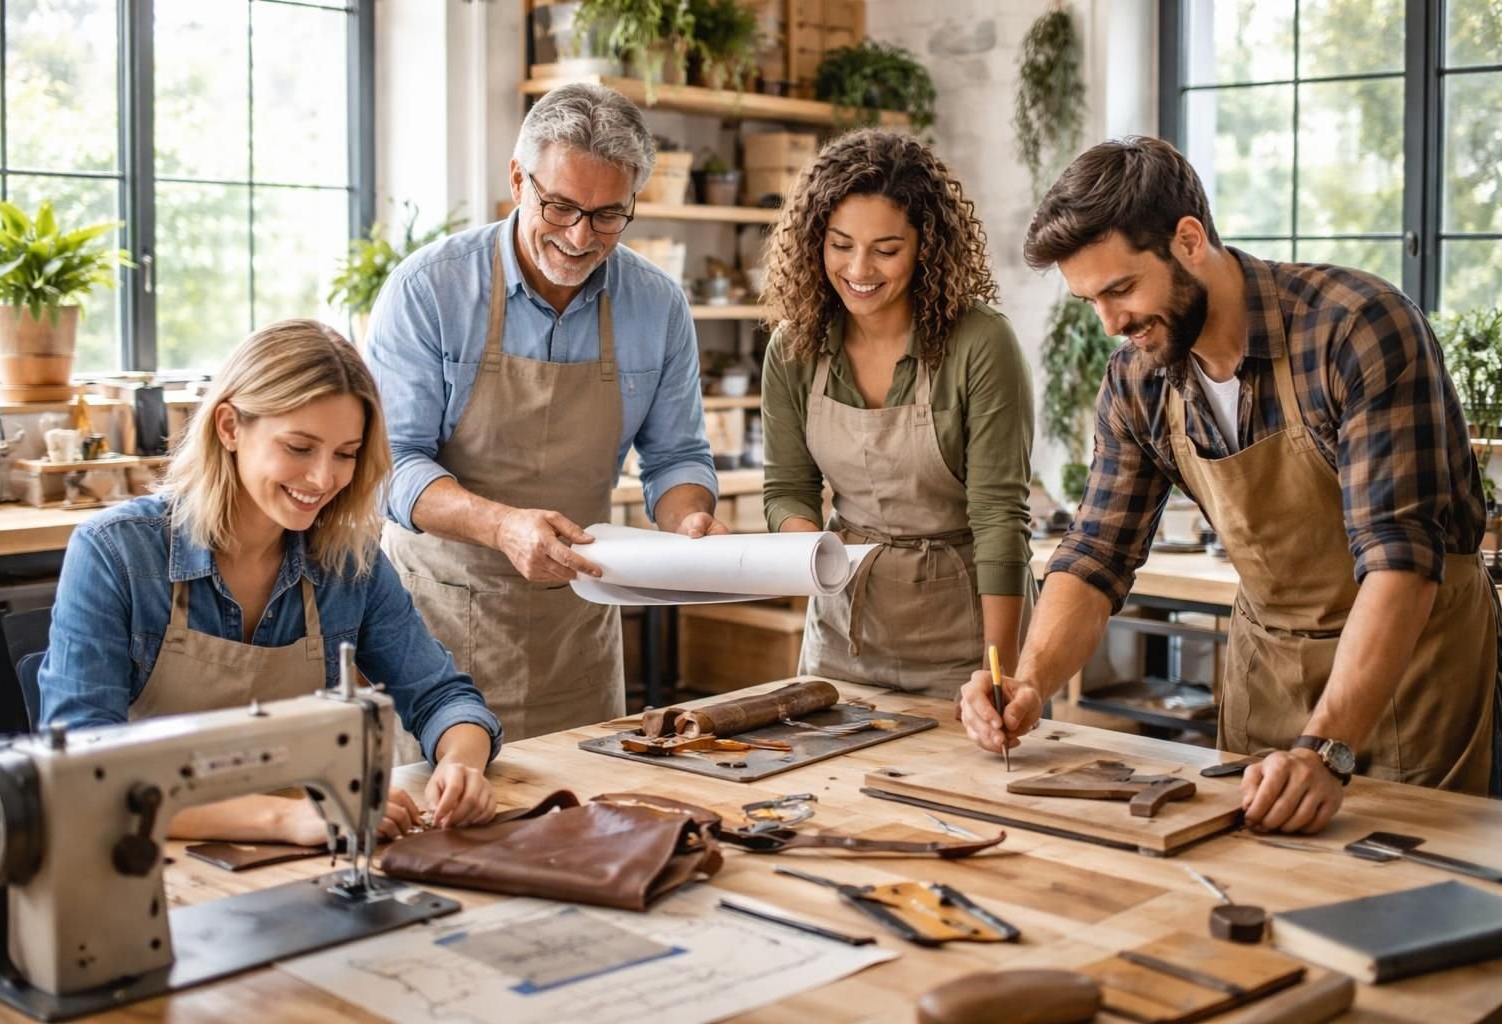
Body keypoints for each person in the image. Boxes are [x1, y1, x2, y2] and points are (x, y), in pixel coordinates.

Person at [962, 136, 1500, 833]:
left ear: (1189, 241)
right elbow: (1096, 553)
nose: (1111, 324)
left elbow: (1401, 559)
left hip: (1412, 668)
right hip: (1268, 668)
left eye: (1122, 289)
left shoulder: (1355, 329)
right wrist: (1028, 680)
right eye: (1090, 300)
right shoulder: (1139, 377)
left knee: (1404, 894)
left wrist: (1326, 748)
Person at [39, 320, 503, 844]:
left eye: (346, 454)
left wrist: (461, 764)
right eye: (300, 447)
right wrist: (288, 819)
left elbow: (442, 697)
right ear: (230, 427)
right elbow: (83, 775)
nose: (323, 478)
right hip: (149, 857)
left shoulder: (351, 563)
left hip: (303, 851)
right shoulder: (113, 552)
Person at [367, 83, 725, 740]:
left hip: (576, 630)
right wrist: (502, 526)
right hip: (434, 627)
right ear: (517, 179)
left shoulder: (658, 305)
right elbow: (389, 465)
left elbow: (675, 456)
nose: (579, 236)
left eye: (608, 214)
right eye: (558, 206)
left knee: (582, 823)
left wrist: (690, 520)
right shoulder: (432, 289)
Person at [760, 129, 1036, 698]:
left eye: (886, 250)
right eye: (840, 244)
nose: (859, 268)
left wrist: (1000, 671)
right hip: (842, 638)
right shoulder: (792, 348)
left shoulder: (980, 344)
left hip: (965, 641)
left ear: (926, 248)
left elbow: (998, 517)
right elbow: (787, 487)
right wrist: (812, 551)